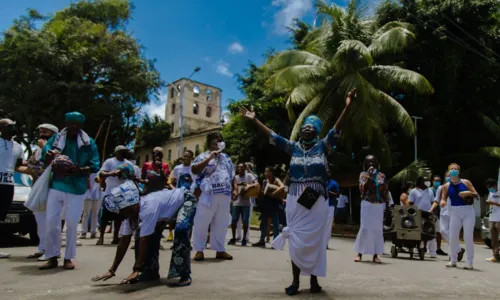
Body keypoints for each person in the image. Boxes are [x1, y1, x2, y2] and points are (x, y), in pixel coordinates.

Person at [240, 88, 355, 296]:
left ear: (317, 132)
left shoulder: (323, 146)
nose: (307, 129)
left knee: (314, 241)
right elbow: (273, 136)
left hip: (316, 199)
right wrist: (254, 121)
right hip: (295, 198)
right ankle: (294, 281)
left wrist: (347, 106)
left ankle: (313, 281)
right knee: (296, 239)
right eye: (305, 126)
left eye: (312, 127)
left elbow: (336, 130)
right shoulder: (292, 148)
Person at [91, 164, 197, 286]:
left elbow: (144, 240)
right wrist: (112, 270)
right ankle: (150, 271)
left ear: (133, 205)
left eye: (123, 211)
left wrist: (136, 269)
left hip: (185, 199)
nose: (122, 215)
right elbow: (124, 242)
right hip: (163, 213)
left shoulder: (148, 208)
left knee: (181, 229)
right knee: (141, 234)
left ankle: (184, 274)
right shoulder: (130, 212)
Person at [40, 112, 100, 270]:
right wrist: (49, 157)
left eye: (76, 124)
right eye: (70, 123)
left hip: (77, 188)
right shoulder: (56, 139)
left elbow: (95, 165)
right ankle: (52, 256)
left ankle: (68, 257)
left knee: (72, 224)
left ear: (81, 126)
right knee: (51, 223)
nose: (73, 126)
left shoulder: (89, 143)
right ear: (66, 123)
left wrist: (79, 170)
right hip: (57, 184)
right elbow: (44, 158)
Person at [191, 132, 236, 261]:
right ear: (209, 142)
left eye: (220, 140)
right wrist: (209, 158)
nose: (218, 142)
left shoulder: (226, 157)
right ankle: (199, 250)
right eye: (215, 141)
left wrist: (235, 189)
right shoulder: (202, 156)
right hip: (207, 195)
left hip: (225, 194)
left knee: (222, 223)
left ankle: (220, 250)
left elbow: (232, 174)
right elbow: (194, 170)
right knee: (202, 222)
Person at [25, 123, 59, 261]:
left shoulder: (55, 149)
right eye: (40, 131)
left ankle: (52, 251)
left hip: (51, 187)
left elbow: (52, 165)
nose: (42, 134)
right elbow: (31, 166)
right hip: (38, 187)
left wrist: (45, 148)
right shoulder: (36, 150)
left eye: (45, 131)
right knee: (40, 219)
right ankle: (42, 247)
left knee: (50, 220)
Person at [440, 163, 478, 270]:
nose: (453, 170)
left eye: (455, 169)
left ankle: (469, 262)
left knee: (467, 237)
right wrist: (442, 202)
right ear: (448, 172)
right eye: (451, 169)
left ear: (459, 171)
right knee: (452, 236)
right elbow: (443, 198)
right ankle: (453, 260)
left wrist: (468, 193)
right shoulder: (446, 186)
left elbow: (476, 194)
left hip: (467, 211)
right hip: (454, 212)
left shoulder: (466, 182)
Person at [354, 154, 390, 264]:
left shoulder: (382, 176)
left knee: (377, 229)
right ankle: (359, 253)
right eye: (369, 162)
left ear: (376, 163)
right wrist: (369, 176)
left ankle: (375, 255)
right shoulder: (363, 175)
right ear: (365, 164)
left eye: (373, 162)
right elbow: (363, 189)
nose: (371, 164)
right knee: (365, 228)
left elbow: (385, 191)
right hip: (367, 204)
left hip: (378, 205)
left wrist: (388, 206)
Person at [97, 145, 132, 245]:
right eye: (122, 151)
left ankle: (115, 237)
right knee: (105, 217)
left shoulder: (128, 163)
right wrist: (111, 173)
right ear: (117, 152)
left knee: (119, 217)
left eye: (125, 151)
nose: (124, 153)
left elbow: (131, 176)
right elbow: (101, 172)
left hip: (122, 194)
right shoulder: (110, 161)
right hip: (110, 193)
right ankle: (101, 237)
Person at [0, 119, 25, 259]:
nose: (13, 128)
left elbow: (19, 165)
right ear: (2, 128)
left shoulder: (18, 147)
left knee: (1, 217)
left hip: (8, 184)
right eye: (10, 126)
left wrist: (35, 167)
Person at [430, 172, 464, 261]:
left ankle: (453, 254)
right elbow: (436, 201)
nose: (449, 177)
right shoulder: (441, 188)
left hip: (455, 213)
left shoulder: (459, 187)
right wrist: (431, 209)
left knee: (453, 234)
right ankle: (458, 249)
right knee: (443, 231)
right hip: (444, 214)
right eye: (447, 176)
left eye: (451, 176)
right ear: (445, 177)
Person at [252, 166, 284, 248]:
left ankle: (275, 243)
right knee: (264, 223)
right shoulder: (264, 181)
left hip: (274, 204)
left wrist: (274, 193)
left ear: (271, 172)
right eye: (265, 171)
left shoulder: (276, 179)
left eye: (266, 171)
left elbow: (282, 186)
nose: (265, 173)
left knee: (275, 224)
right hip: (265, 204)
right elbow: (264, 191)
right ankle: (262, 240)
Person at [228, 163, 259, 246]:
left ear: (245, 168)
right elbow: (233, 188)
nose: (239, 169)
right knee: (234, 220)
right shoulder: (235, 177)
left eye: (241, 167)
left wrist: (248, 186)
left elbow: (256, 184)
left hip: (246, 203)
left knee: (245, 221)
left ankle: (244, 238)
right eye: (238, 167)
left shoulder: (249, 176)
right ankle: (234, 237)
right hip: (236, 202)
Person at [409, 177, 437, 258]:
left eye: (428, 180)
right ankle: (416, 249)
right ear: (420, 181)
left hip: (428, 213)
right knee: (416, 231)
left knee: (428, 231)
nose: (428, 182)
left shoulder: (430, 191)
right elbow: (410, 203)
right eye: (426, 180)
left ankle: (429, 250)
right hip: (417, 214)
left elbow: (433, 202)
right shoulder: (414, 191)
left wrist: (434, 214)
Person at [236, 162, 257, 241]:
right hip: (239, 200)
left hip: (249, 201)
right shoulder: (238, 176)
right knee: (238, 219)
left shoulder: (250, 176)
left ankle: (247, 236)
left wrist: (249, 170)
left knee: (246, 219)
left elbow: (256, 180)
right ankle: (239, 236)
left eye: (247, 167)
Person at [80, 172, 102, 239]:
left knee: (95, 214)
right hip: (88, 196)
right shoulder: (87, 173)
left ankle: (93, 232)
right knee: (86, 214)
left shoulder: (100, 173)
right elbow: (86, 185)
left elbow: (102, 185)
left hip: (97, 196)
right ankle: (84, 232)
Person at [430, 175, 446, 256]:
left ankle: (438, 248)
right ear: (432, 181)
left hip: (441, 214)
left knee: (439, 232)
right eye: (436, 180)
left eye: (439, 180)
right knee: (429, 230)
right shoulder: (429, 190)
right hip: (431, 213)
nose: (437, 182)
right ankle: (426, 248)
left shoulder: (443, 189)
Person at [485, 178, 500, 262]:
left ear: (495, 185)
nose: (489, 189)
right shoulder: (491, 192)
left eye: (490, 187)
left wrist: (493, 203)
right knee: (494, 238)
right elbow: (489, 201)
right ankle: (495, 255)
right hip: (492, 217)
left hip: (499, 217)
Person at [325, 179, 339, 249]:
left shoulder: (333, 183)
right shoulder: (320, 181)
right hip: (320, 206)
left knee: (327, 225)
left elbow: (337, 194)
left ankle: (325, 243)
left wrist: (327, 192)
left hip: (330, 206)